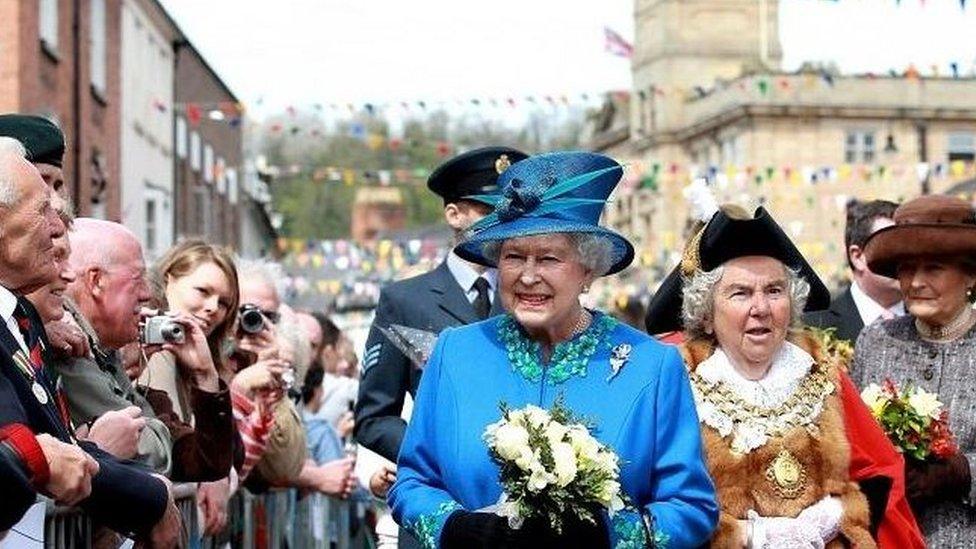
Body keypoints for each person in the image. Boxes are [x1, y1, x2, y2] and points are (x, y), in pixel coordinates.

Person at [389, 151, 718, 547]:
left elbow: (692, 507)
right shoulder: (455, 353)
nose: (529, 275)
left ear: (587, 271)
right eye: (514, 257)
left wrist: (608, 536)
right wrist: (455, 528)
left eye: (548, 258)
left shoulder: (652, 365)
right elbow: (412, 482)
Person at [644, 204, 924, 548]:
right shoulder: (676, 380)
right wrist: (748, 536)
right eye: (741, 293)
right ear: (705, 314)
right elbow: (658, 504)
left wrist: (837, 515)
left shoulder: (820, 373)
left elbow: (880, 476)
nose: (760, 308)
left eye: (774, 291)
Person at [0, 136, 179, 545]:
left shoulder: (17, 316)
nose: (56, 227)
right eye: (42, 209)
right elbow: (45, 454)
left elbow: (63, 446)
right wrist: (33, 459)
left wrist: (152, 496)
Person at [355, 146, 528, 468]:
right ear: (454, 214)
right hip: (442, 491)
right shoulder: (405, 301)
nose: (500, 222)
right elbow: (374, 417)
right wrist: (432, 455)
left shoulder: (532, 295)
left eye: (508, 213)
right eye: (486, 210)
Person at [852, 194, 976, 546]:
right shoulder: (877, 339)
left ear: (970, 275)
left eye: (933, 268)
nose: (915, 282)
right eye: (907, 268)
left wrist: (962, 472)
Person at [51, 218, 173, 474]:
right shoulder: (71, 346)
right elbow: (152, 449)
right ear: (96, 280)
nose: (147, 294)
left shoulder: (100, 347)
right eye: (137, 278)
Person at [135, 239, 239, 481]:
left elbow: (217, 458)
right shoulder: (149, 351)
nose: (213, 308)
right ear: (168, 279)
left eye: (224, 303)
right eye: (203, 291)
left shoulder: (195, 361)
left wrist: (207, 376)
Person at [806, 200, 903, 342]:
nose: (905, 257)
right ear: (857, 257)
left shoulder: (933, 322)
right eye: (893, 247)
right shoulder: (815, 330)